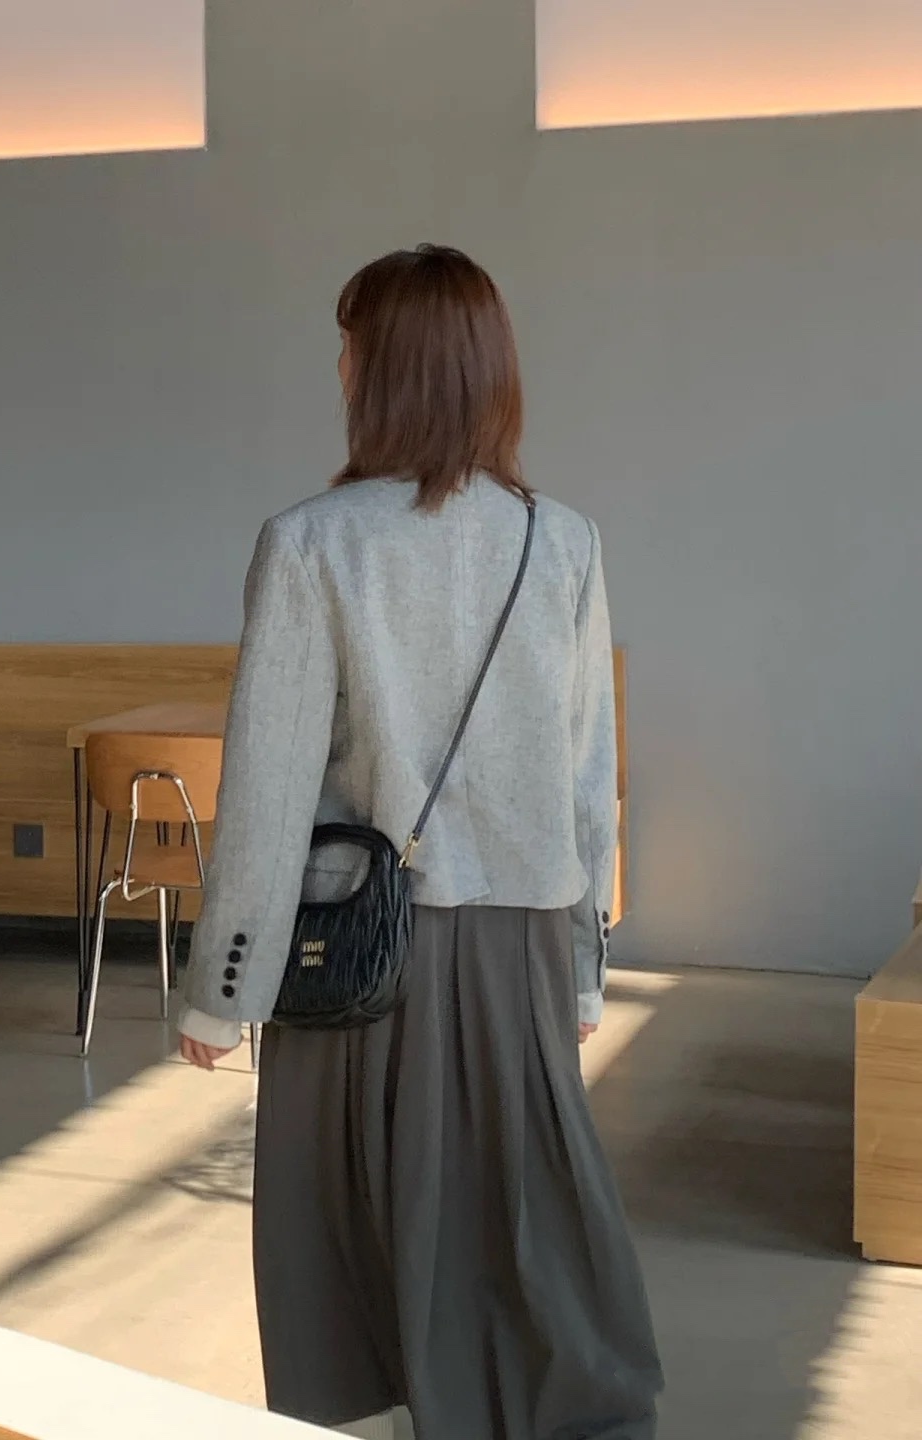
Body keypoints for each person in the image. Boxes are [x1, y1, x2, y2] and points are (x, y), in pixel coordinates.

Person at [179, 245, 662, 1440]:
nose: (338, 367)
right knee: (524, 1212)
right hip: (521, 948)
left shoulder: (312, 542)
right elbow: (586, 779)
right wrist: (584, 968)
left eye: (348, 346)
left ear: (378, 369)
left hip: (358, 951)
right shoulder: (563, 541)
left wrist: (222, 991)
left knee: (354, 1217)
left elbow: (270, 785)